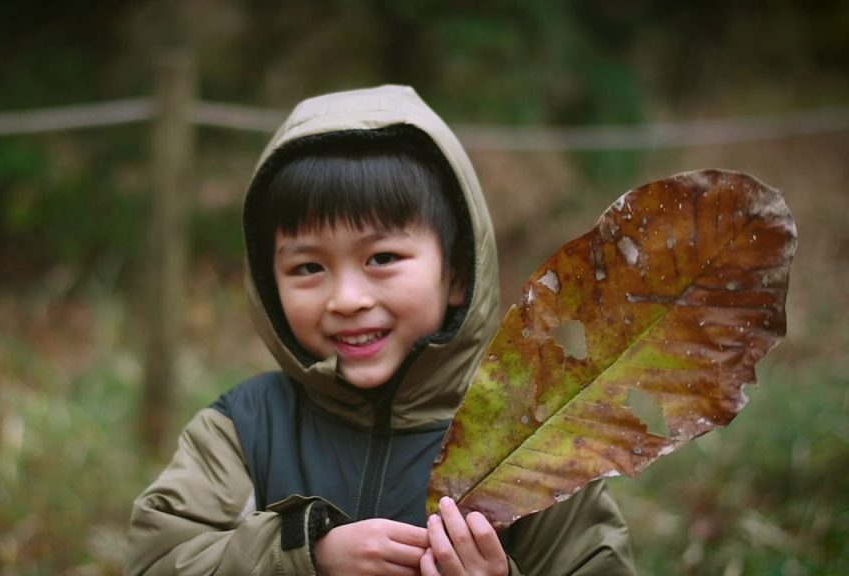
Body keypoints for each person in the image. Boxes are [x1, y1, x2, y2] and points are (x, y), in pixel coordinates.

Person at [127, 85, 636, 575]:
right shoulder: (245, 430)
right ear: (267, 284)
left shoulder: (534, 433)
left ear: (456, 275)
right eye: (308, 268)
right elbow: (157, 561)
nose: (348, 299)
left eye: (383, 258)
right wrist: (306, 557)